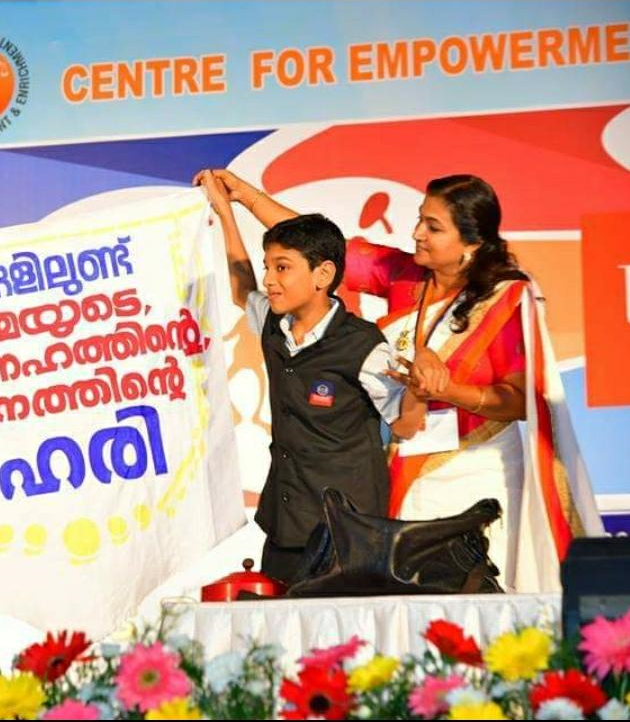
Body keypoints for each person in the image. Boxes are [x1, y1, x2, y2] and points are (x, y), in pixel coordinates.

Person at [203, 168, 603, 591]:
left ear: (472, 242)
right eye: (419, 220)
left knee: (476, 594)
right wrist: (245, 197)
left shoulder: (504, 297)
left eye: (433, 226)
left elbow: (519, 400)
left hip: (477, 468)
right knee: (409, 600)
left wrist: (448, 391)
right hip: (406, 464)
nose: (417, 234)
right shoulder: (405, 276)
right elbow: (317, 248)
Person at [195, 170, 407, 584]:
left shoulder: (364, 345)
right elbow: (243, 289)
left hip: (347, 533)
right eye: (268, 267)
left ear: (322, 275)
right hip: (285, 524)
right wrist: (225, 214)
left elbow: (406, 421)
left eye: (283, 268)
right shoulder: (274, 325)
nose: (269, 280)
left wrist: (425, 388)